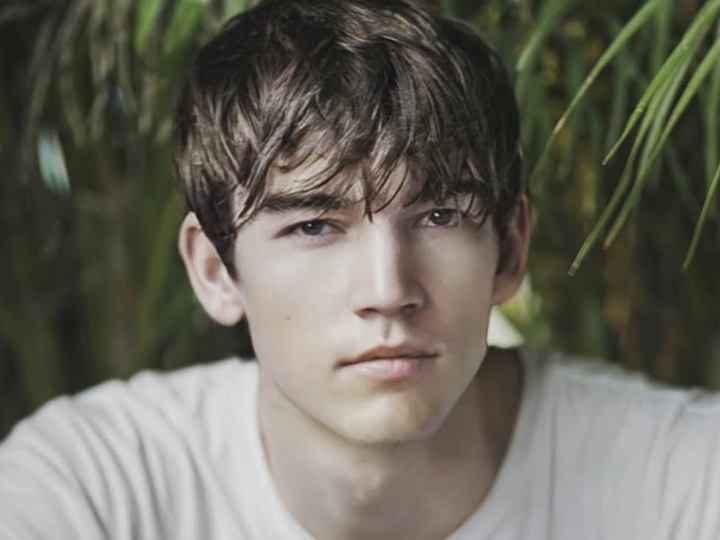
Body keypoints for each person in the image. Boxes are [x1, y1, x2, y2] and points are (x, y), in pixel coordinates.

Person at [1, 0, 719, 539]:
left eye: (440, 216)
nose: (388, 291)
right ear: (216, 271)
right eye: (313, 226)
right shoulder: (92, 485)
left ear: (508, 250)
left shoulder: (687, 481)